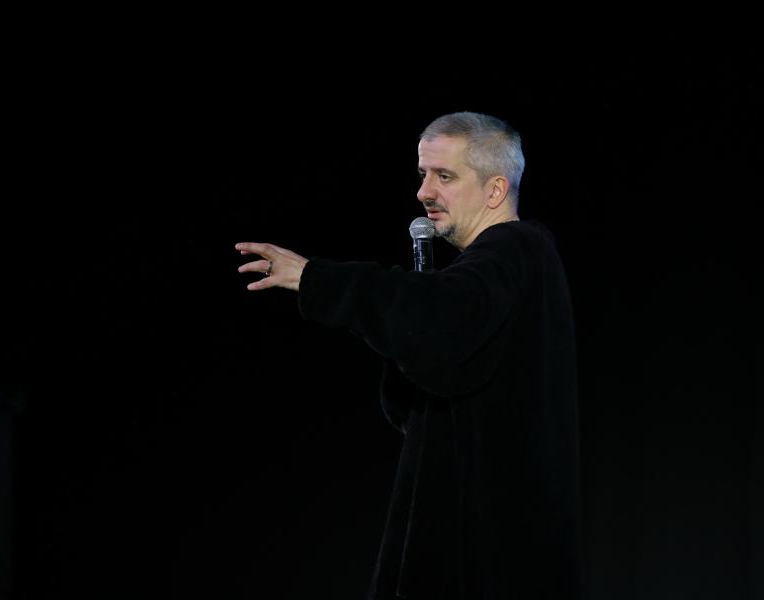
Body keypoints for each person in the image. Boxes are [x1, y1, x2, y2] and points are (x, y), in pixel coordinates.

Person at [236, 112, 583, 600]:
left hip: (486, 554)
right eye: (423, 174)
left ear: (495, 190)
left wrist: (316, 278)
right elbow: (428, 374)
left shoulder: (512, 250)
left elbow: (436, 320)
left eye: (445, 176)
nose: (424, 192)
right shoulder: (511, 265)